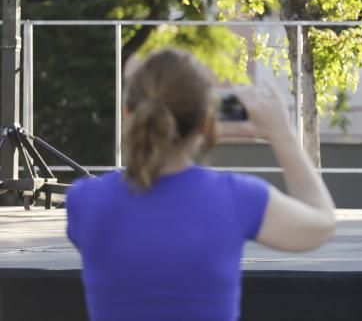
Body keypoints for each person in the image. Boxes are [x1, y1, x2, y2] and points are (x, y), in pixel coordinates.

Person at [66, 48, 336, 321]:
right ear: (206, 123)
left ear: (127, 113)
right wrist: (282, 135)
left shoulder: (84, 201)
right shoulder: (238, 198)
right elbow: (322, 224)